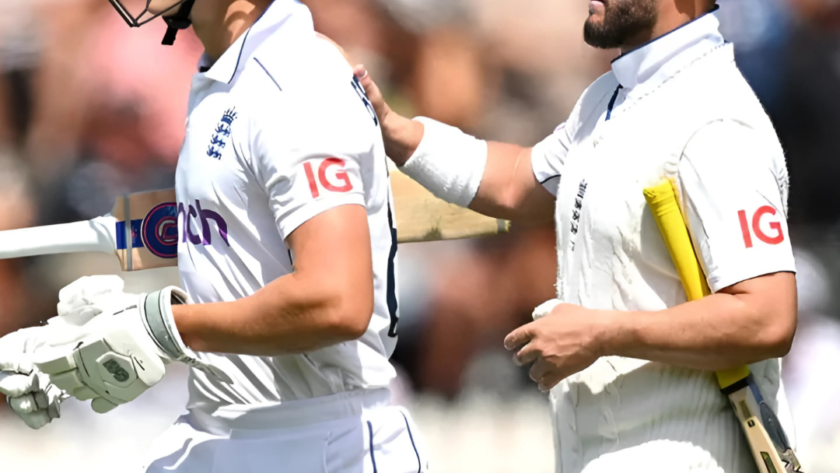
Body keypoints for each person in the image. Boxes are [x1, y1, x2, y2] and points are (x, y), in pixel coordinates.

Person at [355, 0, 798, 471]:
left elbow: (766, 315)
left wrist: (600, 334)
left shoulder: (717, 120)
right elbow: (516, 182)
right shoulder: (613, 95)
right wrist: (395, 130)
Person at [0, 1, 429, 472]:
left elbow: (336, 301)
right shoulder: (227, 68)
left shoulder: (294, 81)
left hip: (322, 445)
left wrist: (160, 328)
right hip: (226, 429)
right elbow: (229, 227)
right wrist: (75, 342)